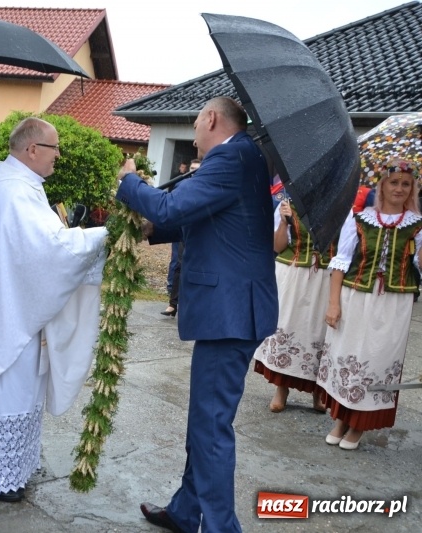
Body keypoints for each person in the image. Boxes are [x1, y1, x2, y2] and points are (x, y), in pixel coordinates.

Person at [115, 96, 278, 533]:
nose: (192, 132)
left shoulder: (231, 157)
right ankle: (188, 512)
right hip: (231, 310)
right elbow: (206, 218)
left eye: (194, 122)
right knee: (204, 421)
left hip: (231, 314)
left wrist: (130, 184)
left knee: (210, 427)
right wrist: (154, 229)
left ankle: (222, 527)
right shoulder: (242, 156)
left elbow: (171, 206)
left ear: (210, 118)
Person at [0, 117, 107, 503]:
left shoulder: (15, 185)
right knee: (5, 386)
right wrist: (104, 234)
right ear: (32, 150)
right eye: (54, 148)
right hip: (6, 317)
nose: (58, 156)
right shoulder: (15, 192)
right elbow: (50, 251)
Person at [317, 159, 422, 451]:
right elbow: (340, 264)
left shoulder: (417, 225)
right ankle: (341, 418)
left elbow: (420, 264)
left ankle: (359, 425)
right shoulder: (360, 218)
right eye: (394, 182)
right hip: (355, 296)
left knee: (377, 359)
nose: (399, 188)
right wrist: (333, 304)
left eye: (405, 183)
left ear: (413, 188)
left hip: (393, 305)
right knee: (347, 356)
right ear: (382, 185)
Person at [253, 198, 335, 413]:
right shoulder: (288, 204)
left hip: (325, 278)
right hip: (293, 274)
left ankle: (318, 392)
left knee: (319, 333)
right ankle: (282, 389)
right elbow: (277, 246)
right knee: (288, 327)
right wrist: (283, 221)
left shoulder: (340, 205)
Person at [162, 158, 201, 317]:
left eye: (196, 169)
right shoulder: (181, 185)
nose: (193, 172)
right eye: (191, 168)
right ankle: (173, 304)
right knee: (178, 265)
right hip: (182, 231)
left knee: (194, 267)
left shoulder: (206, 187)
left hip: (199, 233)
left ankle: (190, 305)